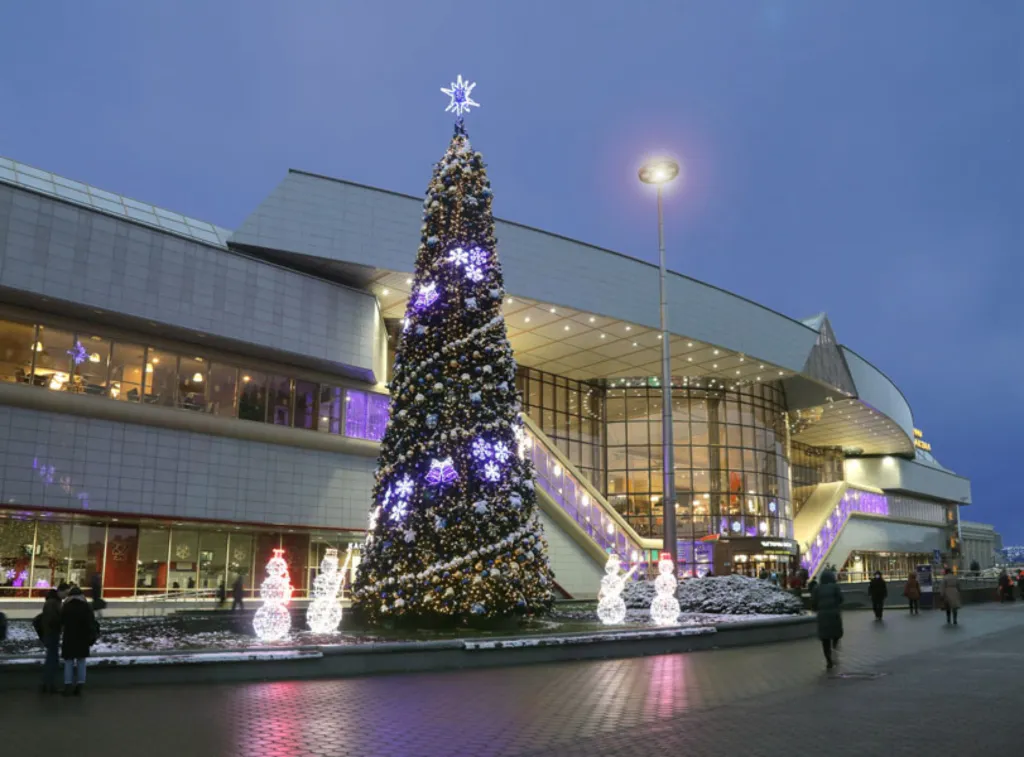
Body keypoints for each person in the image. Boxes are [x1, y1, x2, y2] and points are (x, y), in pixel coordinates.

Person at [60, 586, 98, 696]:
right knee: (81, 661)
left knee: (69, 661)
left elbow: (61, 621)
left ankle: (68, 685)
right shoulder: (86, 606)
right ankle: (80, 685)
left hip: (69, 637)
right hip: (82, 637)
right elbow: (91, 622)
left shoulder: (66, 606)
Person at [811, 570, 844, 669]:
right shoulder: (835, 587)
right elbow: (841, 599)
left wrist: (817, 608)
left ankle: (828, 660)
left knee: (825, 640)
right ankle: (834, 649)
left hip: (823, 616)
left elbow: (813, 602)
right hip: (834, 614)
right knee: (835, 634)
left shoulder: (817, 588)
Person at [38, 589, 62, 694]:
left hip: (49, 633)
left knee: (50, 658)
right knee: (52, 659)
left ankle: (46, 684)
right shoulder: (54, 603)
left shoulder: (49, 603)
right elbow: (54, 620)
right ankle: (49, 684)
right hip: (52, 634)